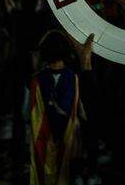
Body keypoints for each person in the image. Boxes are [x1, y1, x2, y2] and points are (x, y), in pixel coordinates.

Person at [28, 29, 88, 185]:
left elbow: (28, 113)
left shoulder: (36, 80)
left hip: (43, 141)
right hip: (69, 140)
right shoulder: (73, 78)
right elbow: (79, 110)